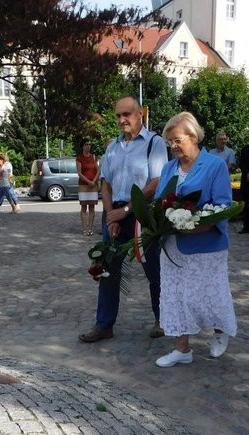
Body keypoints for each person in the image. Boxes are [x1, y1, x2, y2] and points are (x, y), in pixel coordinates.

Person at [78, 95, 168, 343]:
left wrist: (126, 210)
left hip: (142, 215)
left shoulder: (154, 143)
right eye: (118, 115)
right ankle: (104, 325)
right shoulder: (113, 147)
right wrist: (111, 216)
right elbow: (106, 184)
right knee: (108, 271)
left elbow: (156, 181)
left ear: (140, 114)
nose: (121, 119)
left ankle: (163, 319)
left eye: (126, 114)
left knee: (154, 270)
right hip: (115, 215)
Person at [153, 113, 237, 367]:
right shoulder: (169, 168)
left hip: (206, 245)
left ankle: (220, 331)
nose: (173, 146)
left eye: (177, 140)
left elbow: (224, 205)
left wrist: (199, 224)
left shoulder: (214, 165)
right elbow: (159, 201)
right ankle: (182, 349)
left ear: (193, 137)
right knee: (178, 296)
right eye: (170, 142)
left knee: (210, 293)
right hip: (173, 246)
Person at [76, 140, 99, 235]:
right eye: (86, 144)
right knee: (84, 207)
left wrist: (94, 181)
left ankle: (90, 228)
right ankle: (85, 228)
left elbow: (98, 170)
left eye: (89, 144)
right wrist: (88, 181)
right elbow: (79, 172)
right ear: (82, 146)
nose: (88, 146)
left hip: (93, 186)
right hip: (83, 185)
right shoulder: (79, 158)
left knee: (92, 207)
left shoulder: (94, 157)